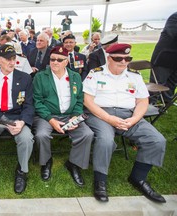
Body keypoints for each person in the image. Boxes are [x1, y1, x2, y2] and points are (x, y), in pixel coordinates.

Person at [83, 43, 166, 203]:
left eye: (127, 58)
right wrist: (109, 119)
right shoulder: (96, 74)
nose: (123, 62)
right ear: (109, 58)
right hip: (100, 114)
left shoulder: (134, 76)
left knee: (157, 140)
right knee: (106, 140)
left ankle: (138, 178)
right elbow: (88, 101)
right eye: (118, 58)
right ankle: (100, 180)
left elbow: (142, 101)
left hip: (128, 115)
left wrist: (134, 120)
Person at [0, 44, 34, 199]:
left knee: (26, 138)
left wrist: (23, 122)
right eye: (8, 59)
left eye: (14, 58)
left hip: (16, 117)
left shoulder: (24, 78)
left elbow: (29, 104)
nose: (12, 62)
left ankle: (21, 171)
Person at [33, 46, 93, 185]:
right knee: (41, 135)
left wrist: (75, 115)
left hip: (70, 115)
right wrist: (51, 120)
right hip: (47, 115)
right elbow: (37, 102)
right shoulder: (41, 77)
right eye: (52, 59)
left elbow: (79, 99)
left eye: (59, 60)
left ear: (66, 61)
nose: (55, 62)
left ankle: (74, 164)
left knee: (87, 134)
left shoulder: (75, 76)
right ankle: (46, 162)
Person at [150, 12, 177, 104]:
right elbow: (172, 33)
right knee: (158, 82)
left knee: (172, 82)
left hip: (175, 58)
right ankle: (151, 102)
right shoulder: (175, 17)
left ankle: (166, 101)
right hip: (163, 56)